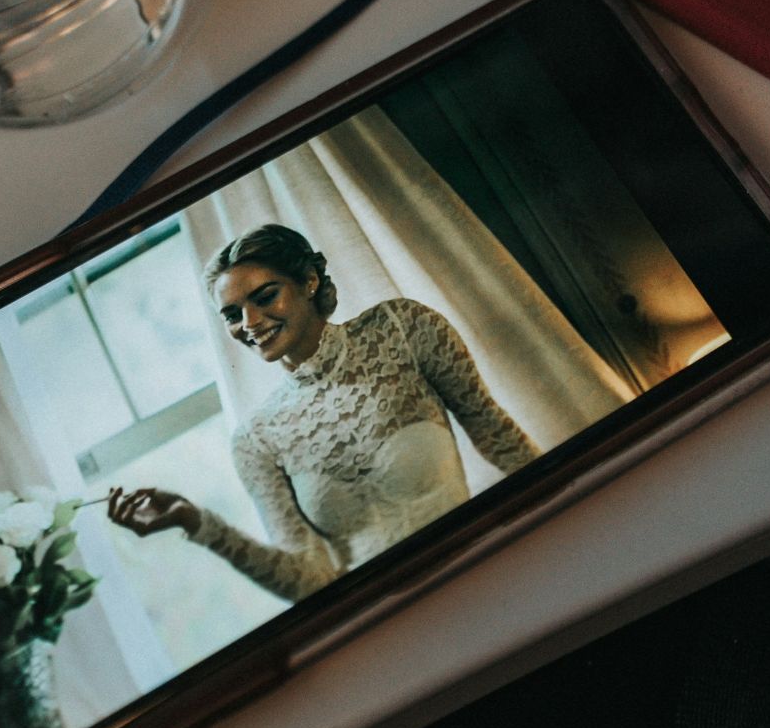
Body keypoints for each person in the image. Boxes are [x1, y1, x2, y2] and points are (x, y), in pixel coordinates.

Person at [106, 224, 539, 600]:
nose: (250, 322)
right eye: (233, 314)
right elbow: (310, 580)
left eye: (265, 296)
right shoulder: (257, 439)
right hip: (388, 625)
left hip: (490, 572)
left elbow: (495, 433)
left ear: (309, 282)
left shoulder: (403, 327)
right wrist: (196, 523)